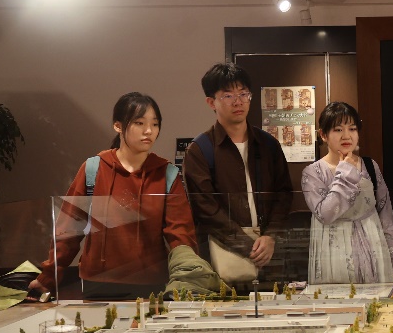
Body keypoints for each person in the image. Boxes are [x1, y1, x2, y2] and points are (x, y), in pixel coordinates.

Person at [31, 93, 196, 300]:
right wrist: (48, 276)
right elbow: (69, 229)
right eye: (139, 123)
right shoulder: (94, 169)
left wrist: (189, 278)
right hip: (97, 281)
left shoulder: (166, 173)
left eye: (155, 124)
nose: (149, 131)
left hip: (150, 282)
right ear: (118, 126)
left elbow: (180, 233)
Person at [182, 63, 293, 287]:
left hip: (270, 254)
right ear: (211, 102)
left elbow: (283, 193)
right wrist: (248, 246)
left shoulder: (268, 144)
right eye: (228, 95)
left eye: (243, 94)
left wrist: (270, 236)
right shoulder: (200, 150)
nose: (238, 101)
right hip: (222, 255)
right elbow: (206, 209)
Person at [302, 101, 393, 284]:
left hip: (373, 247)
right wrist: (345, 171)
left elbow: (385, 212)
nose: (346, 135)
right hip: (334, 251)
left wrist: (392, 255)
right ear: (323, 135)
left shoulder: (370, 165)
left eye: (352, 129)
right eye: (338, 129)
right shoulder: (313, 172)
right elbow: (325, 214)